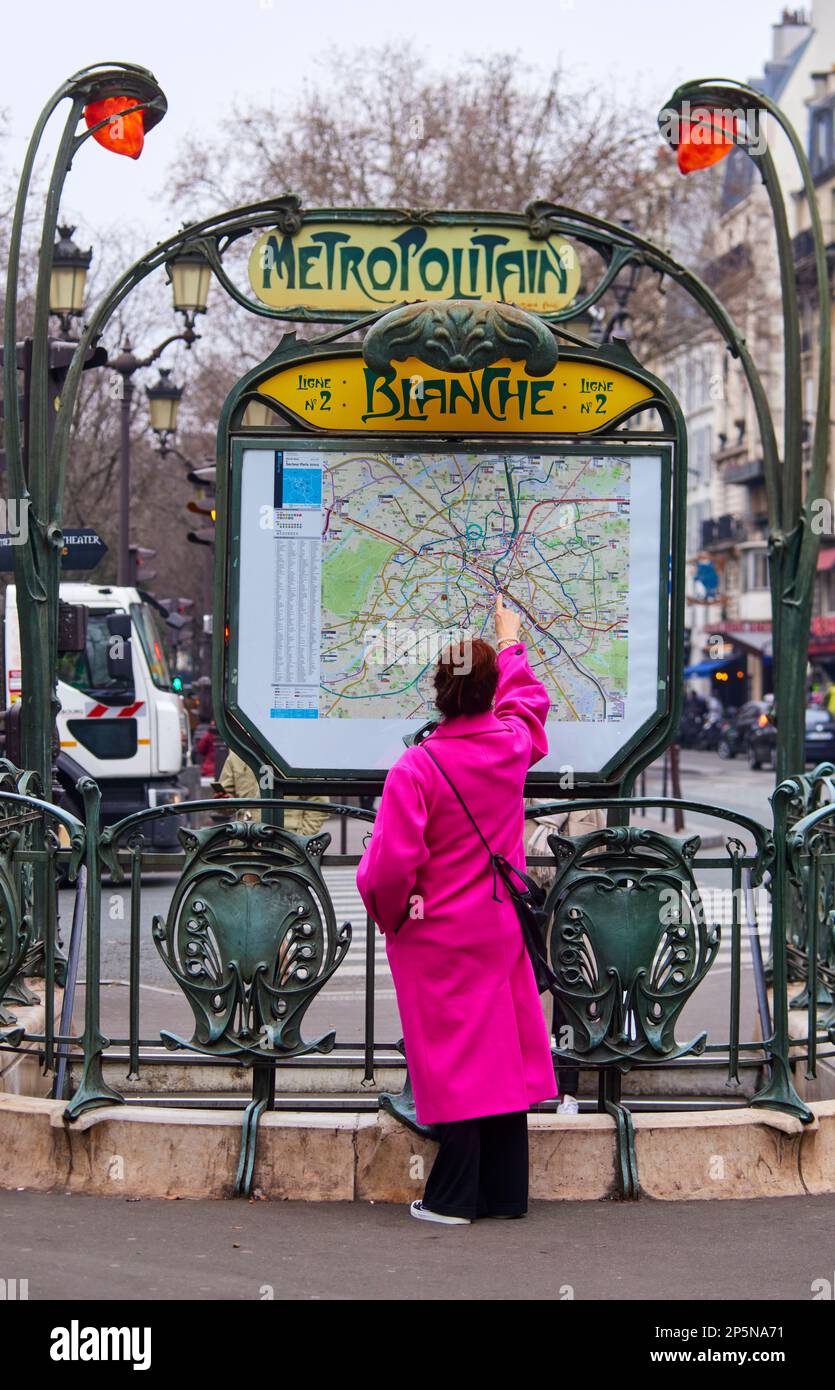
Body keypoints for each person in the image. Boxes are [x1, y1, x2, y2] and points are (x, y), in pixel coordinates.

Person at [356, 594, 557, 1225]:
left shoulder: (416, 767)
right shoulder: (508, 748)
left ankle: (452, 1198)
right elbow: (528, 708)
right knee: (497, 1050)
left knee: (455, 1059)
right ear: (489, 693)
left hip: (436, 932)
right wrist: (511, 643)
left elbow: (390, 866)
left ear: (438, 694)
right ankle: (504, 1194)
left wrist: (391, 910)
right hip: (497, 927)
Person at [216, 750, 329, 833]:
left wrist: (304, 836)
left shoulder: (298, 753)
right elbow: (227, 804)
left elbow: (319, 802)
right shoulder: (237, 753)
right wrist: (223, 802)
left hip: (287, 842)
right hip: (245, 843)